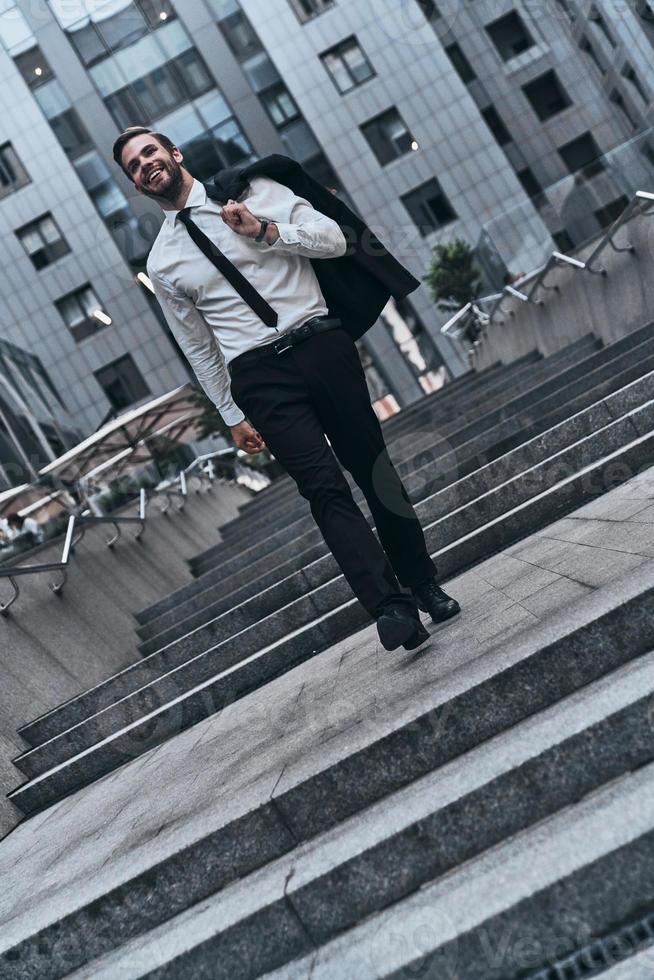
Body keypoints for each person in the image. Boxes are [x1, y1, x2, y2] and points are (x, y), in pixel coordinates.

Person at [112, 128, 460, 651]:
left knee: (373, 470)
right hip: (258, 377)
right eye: (134, 166)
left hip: (321, 344)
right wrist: (230, 413)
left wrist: (267, 231)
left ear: (174, 154)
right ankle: (390, 609)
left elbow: (336, 239)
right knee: (323, 489)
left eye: (150, 153)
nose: (146, 165)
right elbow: (199, 347)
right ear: (137, 187)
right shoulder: (161, 264)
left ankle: (423, 583)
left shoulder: (256, 192)